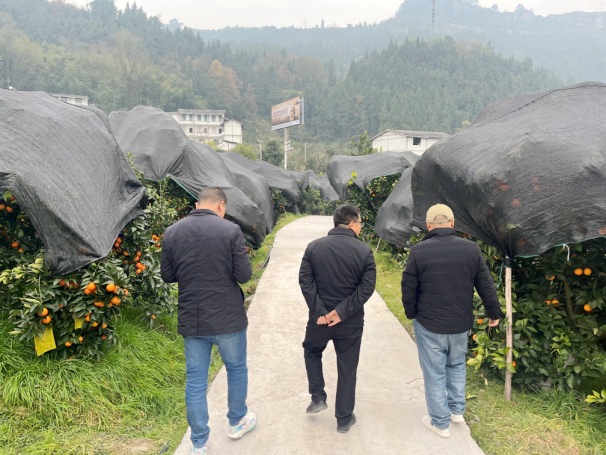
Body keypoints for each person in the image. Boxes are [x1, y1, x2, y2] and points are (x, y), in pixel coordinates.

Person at [161, 187, 256, 455]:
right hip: (228, 318)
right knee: (236, 370)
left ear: (197, 205)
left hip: (193, 319)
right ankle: (237, 421)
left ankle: (199, 443)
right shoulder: (230, 231)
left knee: (195, 381)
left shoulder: (173, 232)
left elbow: (168, 275)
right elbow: (244, 275)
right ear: (221, 205)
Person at [401, 203, 502, 438]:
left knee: (434, 371)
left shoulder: (418, 251)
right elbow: (486, 285)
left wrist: (411, 313)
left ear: (428, 226)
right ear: (453, 223)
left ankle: (440, 423)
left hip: (429, 324)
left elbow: (408, 287)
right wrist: (494, 313)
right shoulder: (471, 249)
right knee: (456, 365)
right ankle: (456, 411)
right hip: (460, 324)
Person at [299, 204, 376, 433]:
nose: (360, 227)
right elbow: (367, 288)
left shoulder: (314, 247)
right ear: (351, 224)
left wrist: (321, 312)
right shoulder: (364, 251)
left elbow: (305, 282)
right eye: (360, 223)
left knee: (312, 351)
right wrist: (341, 312)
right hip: (350, 321)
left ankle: (317, 396)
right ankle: (343, 419)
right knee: (347, 367)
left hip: (320, 321)